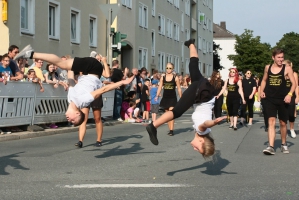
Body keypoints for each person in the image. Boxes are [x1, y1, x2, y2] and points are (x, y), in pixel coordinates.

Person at [14, 44, 134, 126]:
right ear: (77, 113)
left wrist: (69, 68)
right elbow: (103, 89)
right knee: (61, 64)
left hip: (87, 72)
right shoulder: (83, 100)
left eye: (70, 121)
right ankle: (30, 53)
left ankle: (91, 57)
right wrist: (122, 82)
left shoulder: (70, 98)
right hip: (93, 69)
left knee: (63, 65)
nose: (69, 120)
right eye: (73, 120)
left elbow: (71, 80)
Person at [146, 39, 226, 158]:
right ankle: (153, 126)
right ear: (201, 141)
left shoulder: (204, 132)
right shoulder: (202, 130)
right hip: (202, 94)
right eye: (197, 148)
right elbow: (205, 124)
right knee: (176, 112)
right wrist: (213, 122)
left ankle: (190, 44)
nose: (194, 148)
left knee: (193, 64)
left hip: (204, 91)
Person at [260, 49, 296, 155]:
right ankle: (271, 146)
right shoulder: (268, 68)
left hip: (283, 99)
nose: (281, 59)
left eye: (282, 57)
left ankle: (284, 144)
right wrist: (262, 91)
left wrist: (289, 95)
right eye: (278, 57)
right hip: (270, 99)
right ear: (273, 58)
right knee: (271, 121)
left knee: (283, 123)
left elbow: (294, 84)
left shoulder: (287, 68)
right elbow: (264, 80)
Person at [155, 62, 182, 136]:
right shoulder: (163, 77)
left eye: (170, 68)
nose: (168, 69)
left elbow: (179, 89)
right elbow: (160, 87)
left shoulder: (175, 77)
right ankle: (169, 128)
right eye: (167, 68)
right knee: (167, 114)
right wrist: (157, 95)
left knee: (171, 113)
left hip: (172, 98)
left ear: (172, 69)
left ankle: (171, 130)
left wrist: (181, 97)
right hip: (165, 97)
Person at [284, 60, 299, 138]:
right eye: (285, 65)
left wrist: (297, 96)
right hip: (282, 95)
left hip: (291, 95)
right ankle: (284, 130)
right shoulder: (281, 74)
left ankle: (292, 129)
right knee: (283, 114)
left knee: (291, 113)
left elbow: (296, 86)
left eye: (288, 65)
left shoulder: (294, 74)